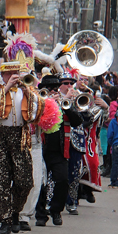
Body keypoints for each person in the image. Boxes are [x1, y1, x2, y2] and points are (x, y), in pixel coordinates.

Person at [0, 62, 43, 234]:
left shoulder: (25, 87)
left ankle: (15, 211)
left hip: (19, 136)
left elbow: (38, 108)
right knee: (0, 181)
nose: (14, 76)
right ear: (3, 75)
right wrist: (6, 88)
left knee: (25, 181)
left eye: (16, 72)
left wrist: (27, 91)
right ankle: (5, 221)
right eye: (9, 73)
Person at [36, 75, 82, 225]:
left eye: (55, 89)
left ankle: (56, 210)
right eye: (48, 89)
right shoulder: (37, 102)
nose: (52, 92)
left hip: (59, 151)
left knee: (62, 180)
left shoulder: (63, 103)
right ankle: (41, 215)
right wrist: (46, 104)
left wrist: (64, 106)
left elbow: (77, 121)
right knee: (40, 183)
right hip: (41, 149)